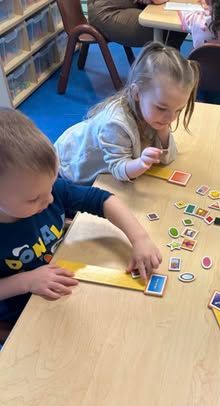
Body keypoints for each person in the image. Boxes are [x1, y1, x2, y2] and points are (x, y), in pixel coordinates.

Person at [0, 108, 162, 340]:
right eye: (34, 198)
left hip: (58, 279)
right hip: (21, 306)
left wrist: (140, 239)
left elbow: (103, 199)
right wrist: (26, 281)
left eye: (52, 185)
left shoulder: (44, 190)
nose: (50, 199)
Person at [55, 42, 199, 185]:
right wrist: (141, 163)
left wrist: (163, 131)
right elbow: (119, 169)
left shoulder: (154, 114)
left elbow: (169, 157)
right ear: (136, 93)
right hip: (69, 167)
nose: (170, 118)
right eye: (162, 108)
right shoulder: (115, 124)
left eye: (178, 110)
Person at [87, 0, 187, 50]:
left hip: (128, 5)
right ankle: (165, 75)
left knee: (182, 22)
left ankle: (170, 72)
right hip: (107, 11)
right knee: (169, 28)